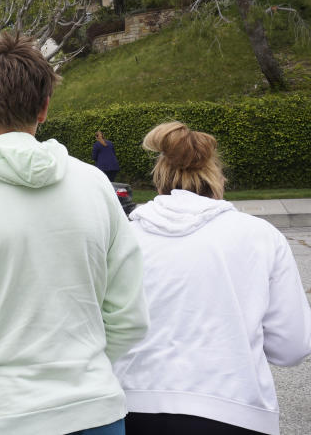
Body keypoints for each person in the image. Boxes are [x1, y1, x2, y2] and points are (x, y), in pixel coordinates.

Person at [0, 32, 148, 435]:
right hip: (94, 412)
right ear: (44, 108)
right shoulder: (94, 186)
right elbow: (129, 315)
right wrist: (86, 377)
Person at [114, 122, 311, 435]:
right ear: (218, 178)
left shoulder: (123, 237)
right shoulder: (259, 237)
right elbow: (292, 347)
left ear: (159, 177)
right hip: (235, 410)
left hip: (131, 407)